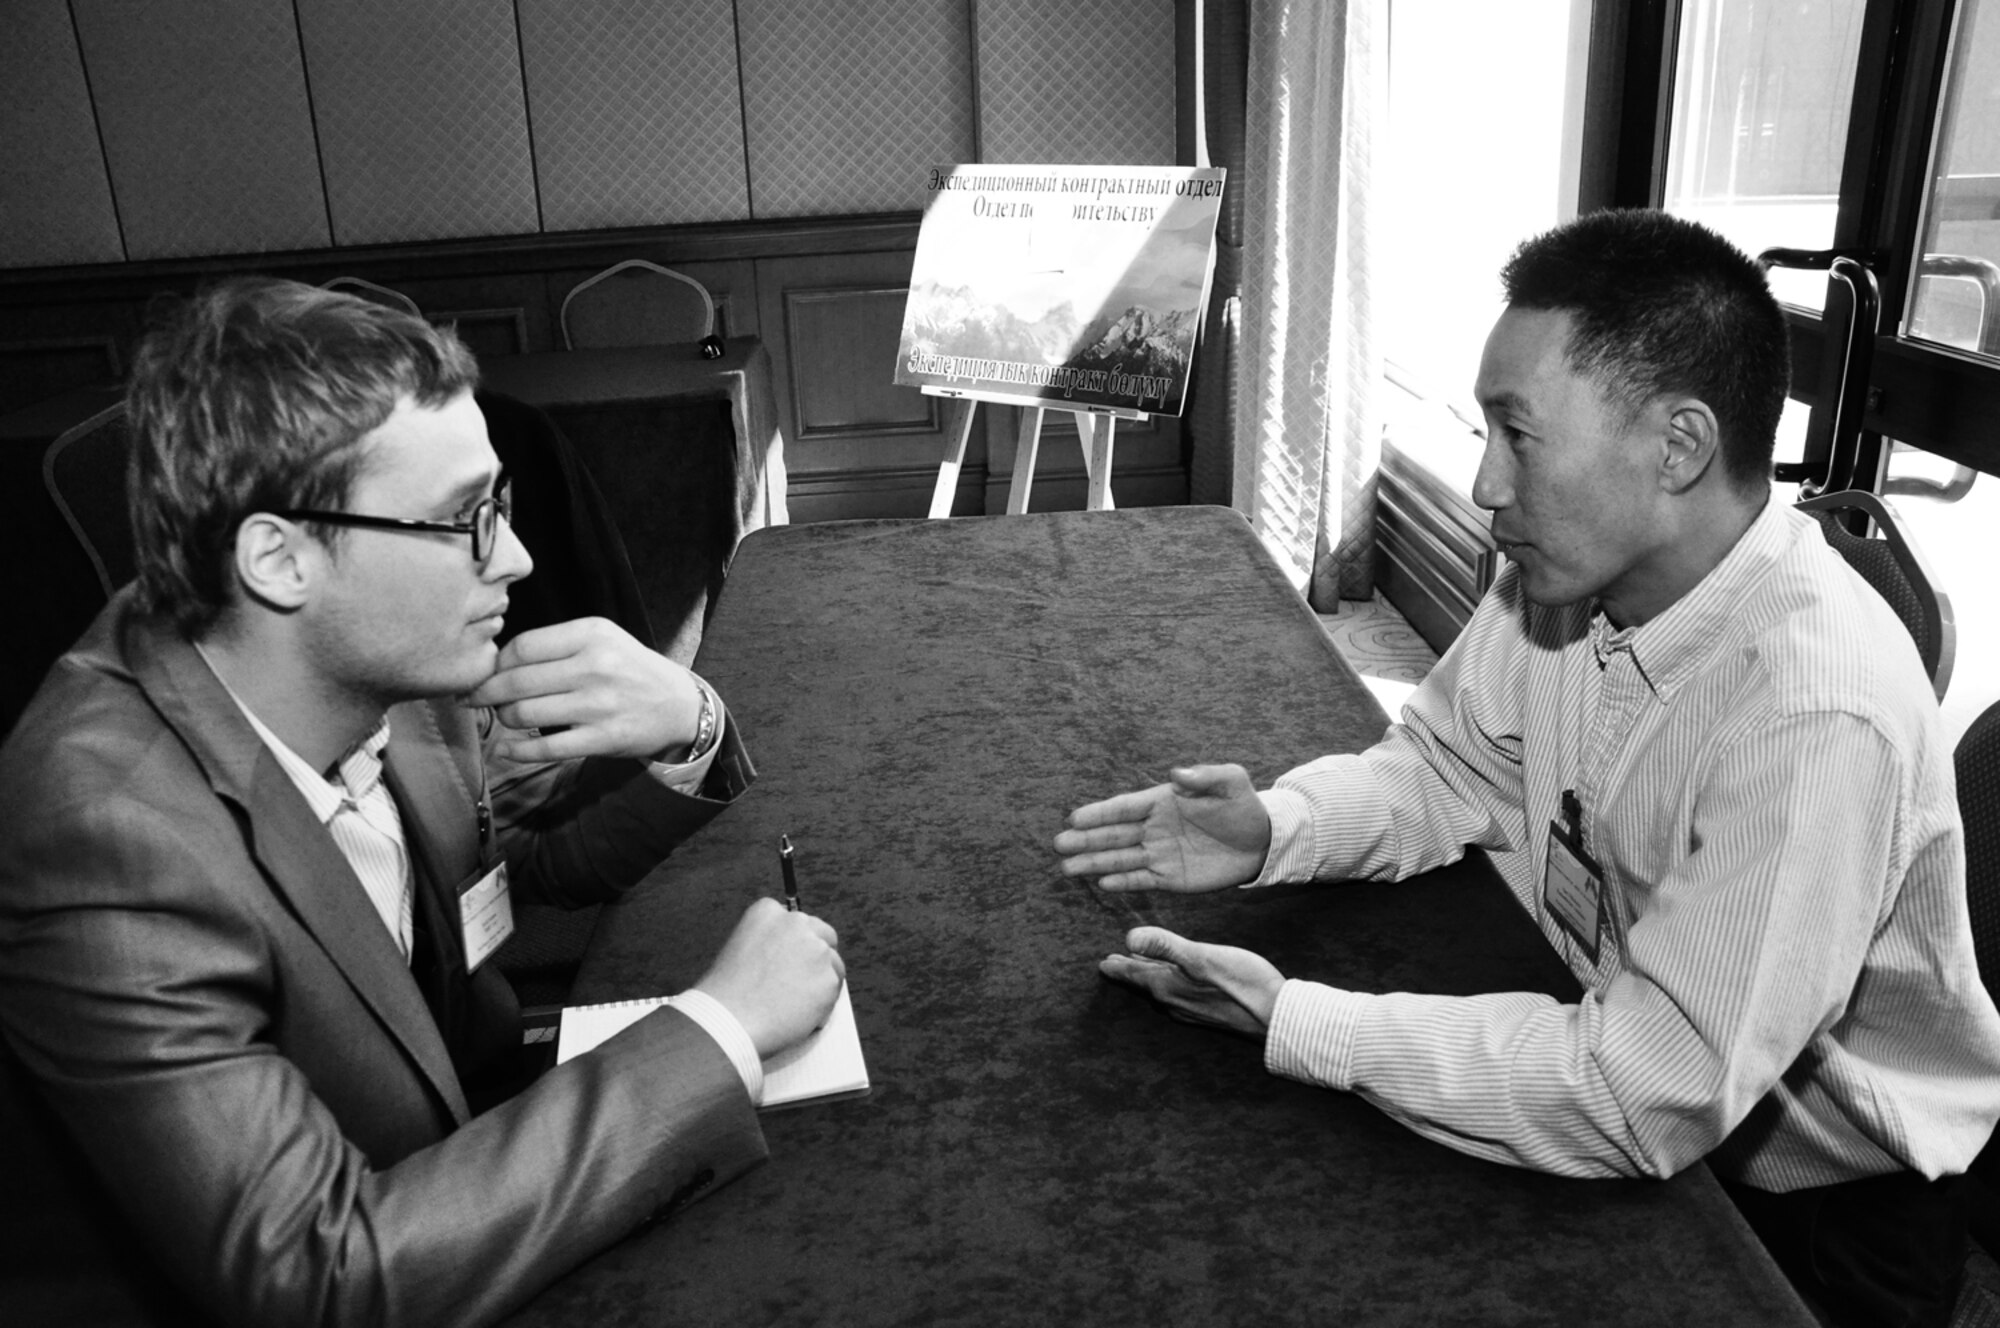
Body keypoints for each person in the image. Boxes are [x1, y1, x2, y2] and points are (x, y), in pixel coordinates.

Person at [1054, 209, 2000, 1328]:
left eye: (1516, 432)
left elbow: (1634, 1090)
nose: (1482, 483)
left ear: (1678, 446)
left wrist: (1303, 1023)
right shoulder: (1564, 579)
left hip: (1818, 1205)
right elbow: (1443, 764)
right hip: (1650, 1078)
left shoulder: (1812, 709)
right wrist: (1275, 826)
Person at [0, 278, 844, 1327]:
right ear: (279, 557)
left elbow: (504, 880)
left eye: (498, 504)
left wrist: (691, 727)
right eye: (463, 520)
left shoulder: (364, 666)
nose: (519, 557)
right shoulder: (104, 838)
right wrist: (720, 1024)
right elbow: (316, 1277)